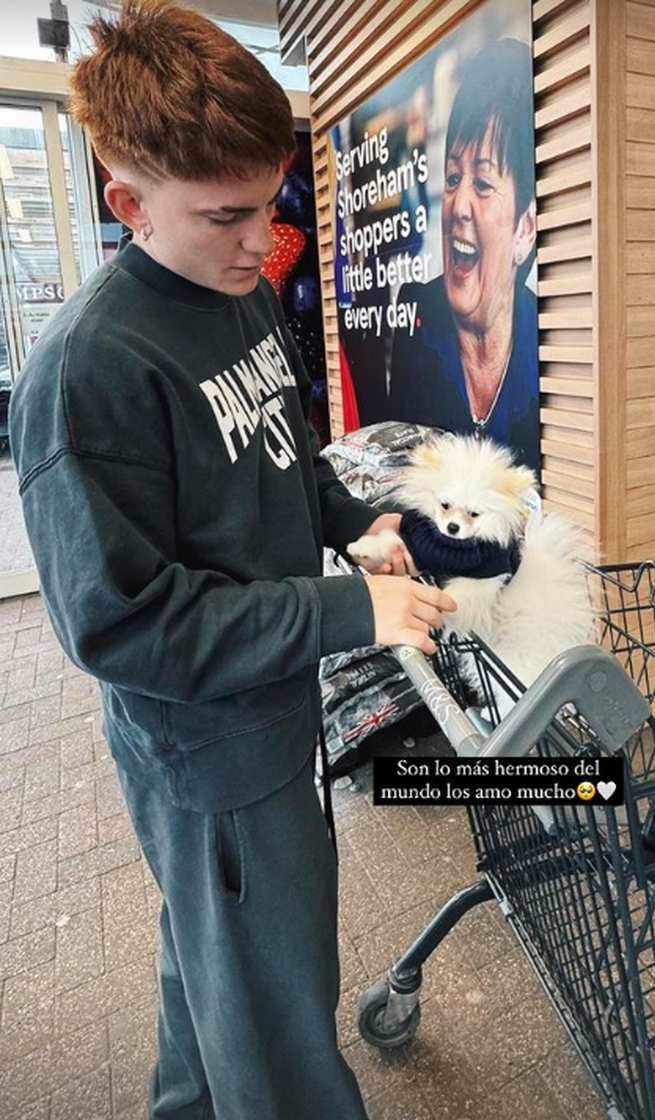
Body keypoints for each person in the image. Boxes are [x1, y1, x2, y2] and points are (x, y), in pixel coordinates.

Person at [9, 2, 455, 1117]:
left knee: (214, 965)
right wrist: (348, 613)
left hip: (269, 706)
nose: (266, 242)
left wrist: (351, 520)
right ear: (127, 203)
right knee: (279, 1009)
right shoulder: (89, 370)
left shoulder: (238, 291)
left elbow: (284, 450)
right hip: (207, 751)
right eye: (228, 215)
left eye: (269, 202)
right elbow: (122, 623)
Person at [388, 38, 540, 474]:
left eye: (484, 184)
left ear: (525, 228)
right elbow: (400, 473)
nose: (459, 205)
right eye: (454, 177)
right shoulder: (418, 318)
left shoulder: (546, 340)